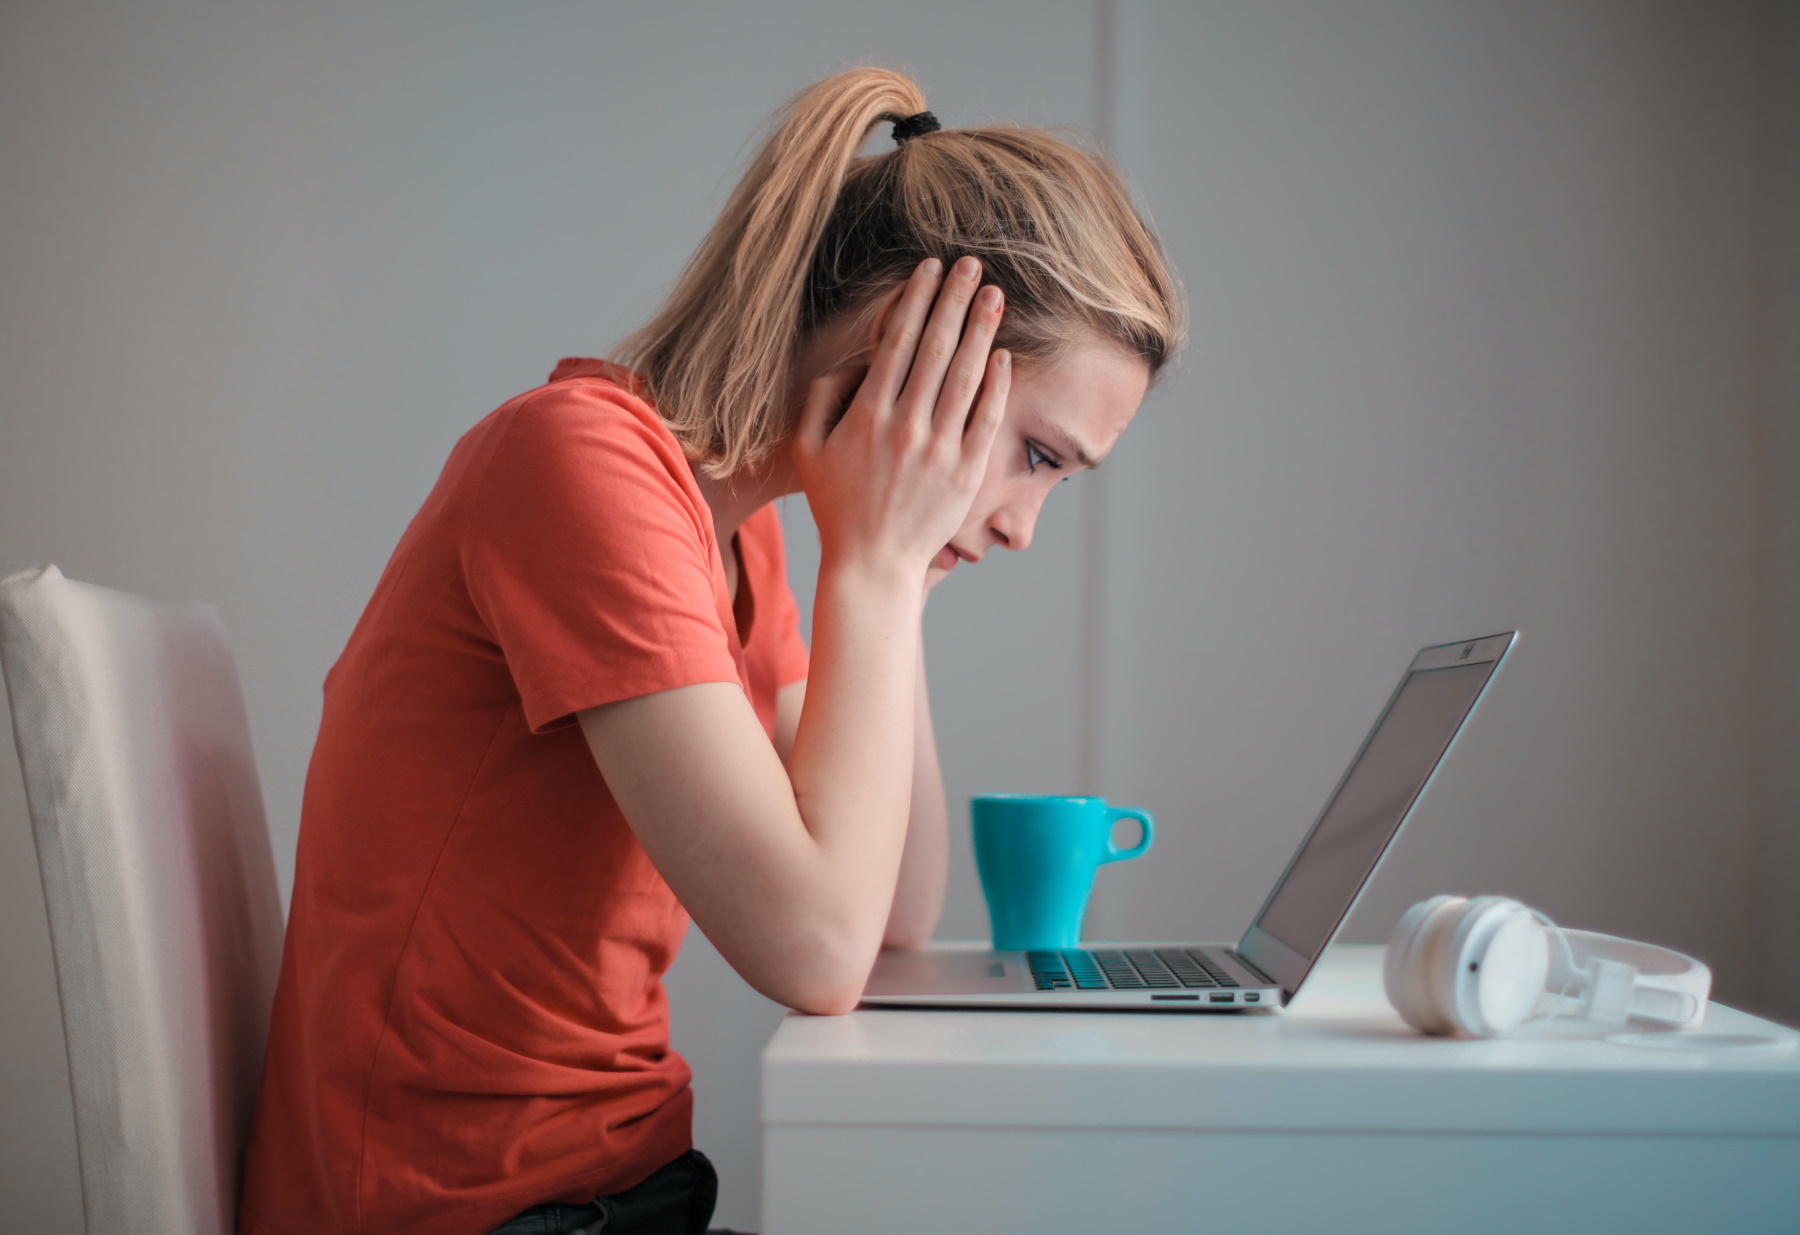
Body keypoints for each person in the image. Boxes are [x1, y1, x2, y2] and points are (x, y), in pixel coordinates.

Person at [239, 66, 1183, 1235]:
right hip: (461, 1214)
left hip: (613, 1194)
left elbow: (890, 904)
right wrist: (880, 567)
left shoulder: (743, 540)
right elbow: (818, 949)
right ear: (910, 348)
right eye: (1040, 457)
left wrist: (898, 568)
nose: (1024, 526)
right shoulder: (581, 469)